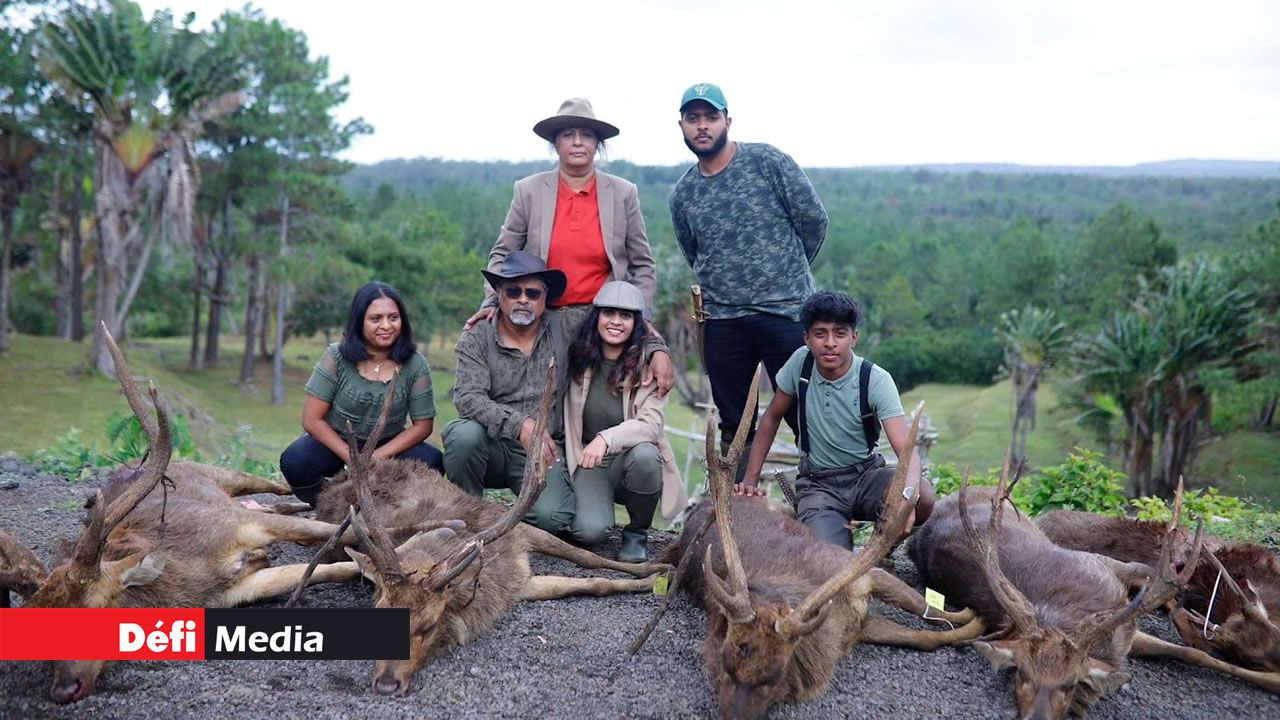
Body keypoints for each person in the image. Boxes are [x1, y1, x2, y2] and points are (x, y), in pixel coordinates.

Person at [446, 252, 670, 534]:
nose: (523, 299)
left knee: (553, 518)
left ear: (545, 297)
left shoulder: (565, 324)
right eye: (513, 291)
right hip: (491, 444)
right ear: (498, 295)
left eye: (533, 293)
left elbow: (619, 320)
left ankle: (506, 522)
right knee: (462, 435)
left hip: (547, 448)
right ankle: (466, 520)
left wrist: (658, 349)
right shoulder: (477, 335)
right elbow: (468, 398)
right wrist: (522, 425)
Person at [668, 82, 828, 471]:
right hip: (724, 321)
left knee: (806, 414)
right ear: (682, 126)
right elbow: (695, 253)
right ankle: (737, 509)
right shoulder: (684, 194)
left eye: (711, 117)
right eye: (693, 119)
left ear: (728, 121)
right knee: (735, 425)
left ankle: (825, 501)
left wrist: (784, 274)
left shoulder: (768, 162)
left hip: (786, 313)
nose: (702, 126)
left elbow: (814, 222)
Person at [737, 292, 932, 549]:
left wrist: (907, 498)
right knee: (829, 558)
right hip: (819, 485)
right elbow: (771, 418)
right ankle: (835, 540)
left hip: (866, 476)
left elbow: (907, 452)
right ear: (807, 338)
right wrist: (750, 479)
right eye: (820, 333)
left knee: (924, 495)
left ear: (853, 338)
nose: (830, 343)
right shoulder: (800, 365)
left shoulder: (875, 379)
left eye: (840, 333)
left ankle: (883, 547)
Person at [472, 97, 656, 323]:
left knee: (655, 355)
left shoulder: (623, 193)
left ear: (597, 143)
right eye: (568, 135)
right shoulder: (529, 191)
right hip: (542, 315)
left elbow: (643, 264)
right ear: (556, 143)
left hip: (602, 319)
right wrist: (493, 300)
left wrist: (641, 315)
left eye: (586, 135)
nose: (577, 142)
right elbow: (502, 254)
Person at [280, 282, 444, 505]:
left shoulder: (415, 364)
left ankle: (385, 508)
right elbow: (312, 419)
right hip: (336, 443)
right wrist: (351, 457)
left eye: (393, 318)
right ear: (360, 321)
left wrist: (376, 457)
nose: (386, 326)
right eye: (376, 319)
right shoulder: (337, 356)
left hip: (388, 445)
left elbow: (422, 426)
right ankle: (328, 507)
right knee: (296, 460)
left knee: (432, 461)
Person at [563, 281, 687, 562]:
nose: (616, 322)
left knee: (646, 454)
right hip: (588, 458)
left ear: (637, 323)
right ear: (597, 317)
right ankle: (593, 510)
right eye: (609, 313)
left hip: (627, 457)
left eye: (626, 316)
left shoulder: (649, 366)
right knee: (589, 532)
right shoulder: (578, 356)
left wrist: (606, 439)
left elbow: (650, 425)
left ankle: (636, 533)